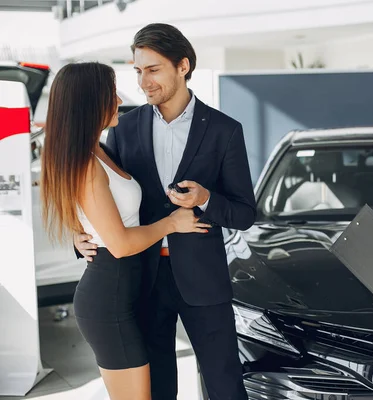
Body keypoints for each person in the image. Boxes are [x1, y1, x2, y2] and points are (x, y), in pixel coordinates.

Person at [74, 23, 256, 400]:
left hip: (204, 281)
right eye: (138, 71)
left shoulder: (225, 130)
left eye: (153, 70)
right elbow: (98, 194)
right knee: (157, 388)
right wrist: (78, 233)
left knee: (225, 386)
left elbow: (244, 214)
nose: (143, 82)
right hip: (141, 279)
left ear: (183, 66)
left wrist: (206, 198)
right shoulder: (124, 129)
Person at [40, 62, 203, 400]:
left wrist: (79, 230)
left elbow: (91, 211)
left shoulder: (97, 150)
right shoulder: (86, 164)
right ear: (89, 101)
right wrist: (172, 223)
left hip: (127, 293)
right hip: (108, 303)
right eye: (109, 93)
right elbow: (120, 244)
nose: (118, 99)